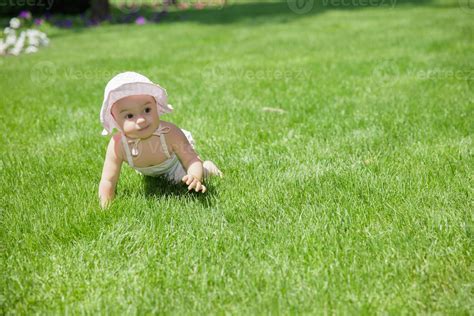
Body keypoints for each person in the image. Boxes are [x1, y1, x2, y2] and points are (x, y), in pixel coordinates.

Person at [98, 72, 222, 208]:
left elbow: (191, 159)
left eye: (147, 110)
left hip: (174, 165)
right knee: (155, 183)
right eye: (129, 115)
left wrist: (195, 176)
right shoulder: (118, 145)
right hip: (148, 170)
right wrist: (106, 206)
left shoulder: (169, 133)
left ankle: (208, 168)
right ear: (115, 120)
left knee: (180, 180)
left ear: (156, 107)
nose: (141, 120)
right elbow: (108, 180)